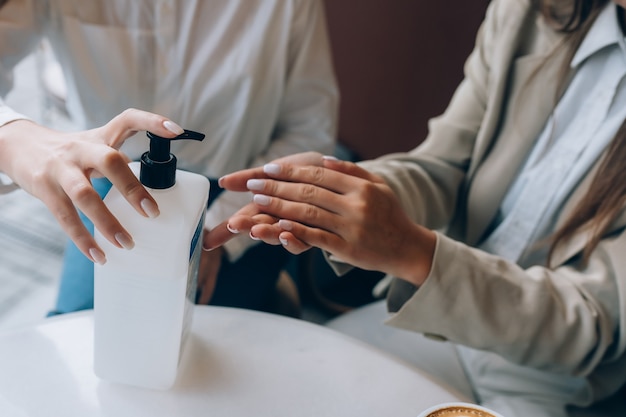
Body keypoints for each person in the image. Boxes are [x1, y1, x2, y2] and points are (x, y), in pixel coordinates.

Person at [205, 0, 626, 415]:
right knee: (274, 392)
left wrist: (415, 253)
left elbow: (589, 323)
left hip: (553, 379)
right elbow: (443, 164)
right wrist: (350, 192)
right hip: (438, 321)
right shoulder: (529, 13)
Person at [0, 0, 338, 314]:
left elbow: (309, 129)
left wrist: (213, 228)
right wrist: (14, 136)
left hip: (238, 193)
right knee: (77, 325)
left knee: (216, 346)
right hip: (114, 184)